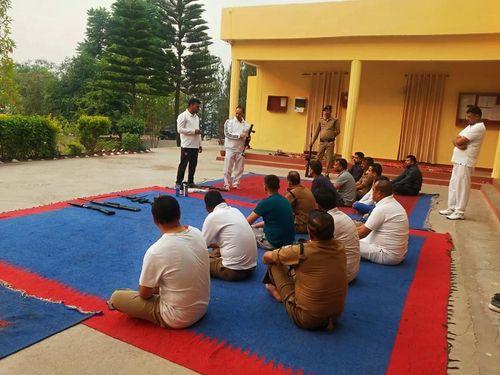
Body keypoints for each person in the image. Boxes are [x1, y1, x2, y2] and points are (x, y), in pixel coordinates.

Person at [108, 196, 210, 328]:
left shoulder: (156, 251)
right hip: (202, 306)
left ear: (155, 219)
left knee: (117, 297)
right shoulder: (196, 232)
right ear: (179, 214)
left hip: (178, 317)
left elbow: (145, 295)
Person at [262, 210, 347, 330]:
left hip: (306, 319)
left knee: (275, 263)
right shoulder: (340, 247)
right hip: (335, 317)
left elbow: (266, 257)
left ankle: (276, 292)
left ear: (309, 231)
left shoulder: (302, 250)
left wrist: (285, 253)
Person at [439, 106, 486, 220]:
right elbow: (456, 139)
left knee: (462, 186)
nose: (467, 118)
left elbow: (460, 140)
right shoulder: (470, 126)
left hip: (466, 161)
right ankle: (452, 207)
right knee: (454, 184)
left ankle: (460, 212)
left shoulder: (479, 127)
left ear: (477, 116)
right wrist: (457, 143)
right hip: (458, 160)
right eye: (467, 116)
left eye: (469, 116)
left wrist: (458, 142)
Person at [202, 191, 257, 281]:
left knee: (196, 261)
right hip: (251, 267)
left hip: (233, 271)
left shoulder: (212, 217)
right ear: (223, 201)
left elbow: (201, 245)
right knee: (219, 247)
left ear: (207, 207)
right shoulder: (235, 210)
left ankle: (216, 260)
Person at [357, 180, 409, 265]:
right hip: (397, 253)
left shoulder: (382, 209)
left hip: (388, 255)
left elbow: (362, 233)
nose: (371, 193)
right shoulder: (393, 203)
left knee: (344, 243)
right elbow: (364, 228)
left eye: (373, 190)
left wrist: (342, 235)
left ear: (379, 193)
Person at [314, 188, 360, 283]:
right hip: (352, 270)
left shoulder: (328, 221)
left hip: (342, 275)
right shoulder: (343, 216)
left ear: (317, 205)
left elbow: (313, 250)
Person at [247, 175, 295, 250]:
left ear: (265, 187)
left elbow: (246, 223)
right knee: (255, 228)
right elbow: (277, 220)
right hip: (289, 241)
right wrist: (256, 226)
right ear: (278, 187)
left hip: (273, 243)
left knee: (246, 231)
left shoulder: (265, 203)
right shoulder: (284, 200)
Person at [175, 98, 202, 188]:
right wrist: (193, 131)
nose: (198, 108)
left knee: (193, 165)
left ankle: (190, 182)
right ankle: (178, 182)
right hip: (187, 145)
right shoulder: (183, 116)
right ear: (191, 105)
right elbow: (180, 129)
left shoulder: (197, 117)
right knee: (183, 164)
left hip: (195, 145)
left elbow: (198, 132)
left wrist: (200, 144)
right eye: (197, 106)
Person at [223, 106, 251, 190]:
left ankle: (236, 183)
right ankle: (226, 184)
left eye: (239, 113)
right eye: (236, 113)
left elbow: (247, 137)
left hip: (240, 149)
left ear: (243, 114)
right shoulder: (229, 122)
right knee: (228, 167)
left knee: (239, 168)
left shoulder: (247, 125)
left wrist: (248, 139)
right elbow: (227, 134)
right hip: (230, 148)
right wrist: (239, 136)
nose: (238, 115)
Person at [311, 105, 340, 176]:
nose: (326, 112)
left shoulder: (334, 120)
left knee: (329, 158)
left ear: (330, 111)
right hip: (322, 142)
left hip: (330, 142)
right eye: (325, 110)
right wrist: (312, 142)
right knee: (318, 157)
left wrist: (331, 135)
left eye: (328, 111)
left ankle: (327, 173)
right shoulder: (321, 120)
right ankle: (315, 171)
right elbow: (317, 132)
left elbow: (338, 131)